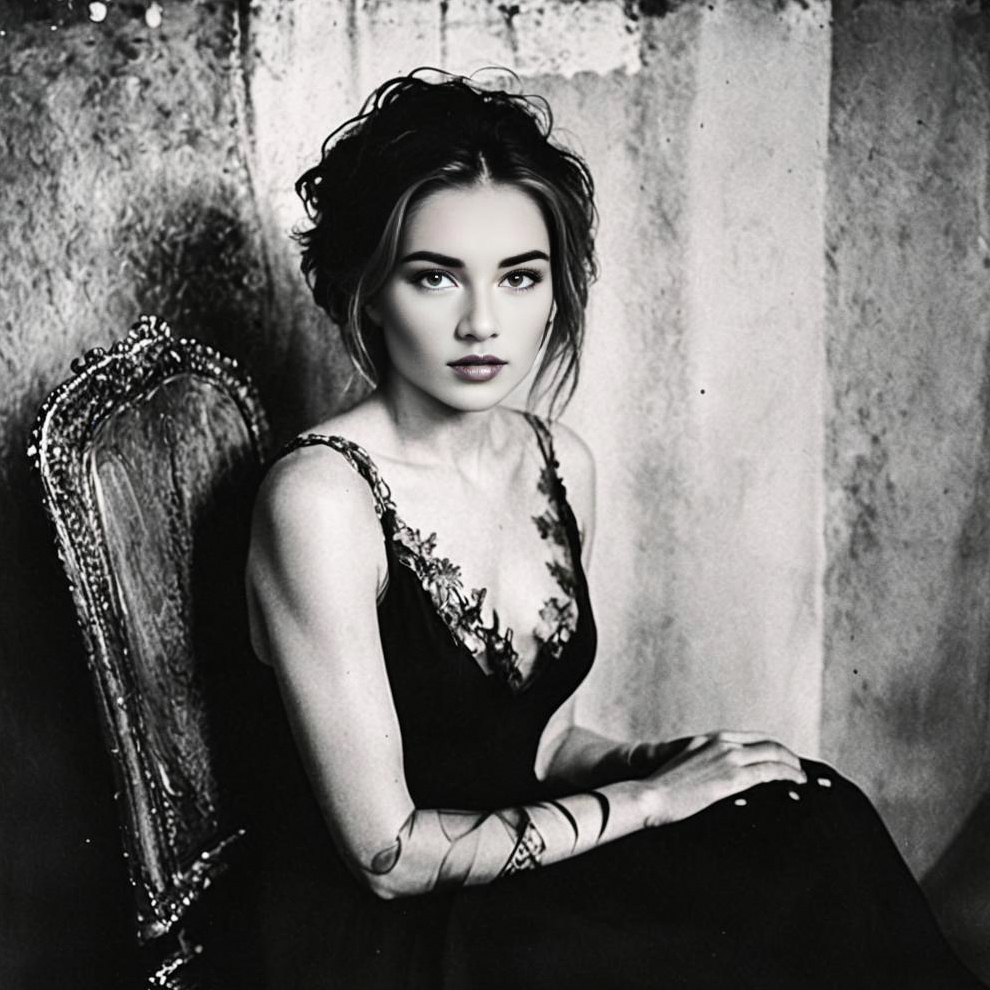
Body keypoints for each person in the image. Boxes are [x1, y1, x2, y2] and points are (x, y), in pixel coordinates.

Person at [243, 68, 984, 989]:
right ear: (369, 289)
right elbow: (387, 857)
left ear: (557, 291)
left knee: (811, 811)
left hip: (522, 884)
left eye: (520, 277)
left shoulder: (559, 463)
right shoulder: (319, 500)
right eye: (435, 277)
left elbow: (542, 746)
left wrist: (687, 766)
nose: (483, 323)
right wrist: (652, 800)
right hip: (393, 933)